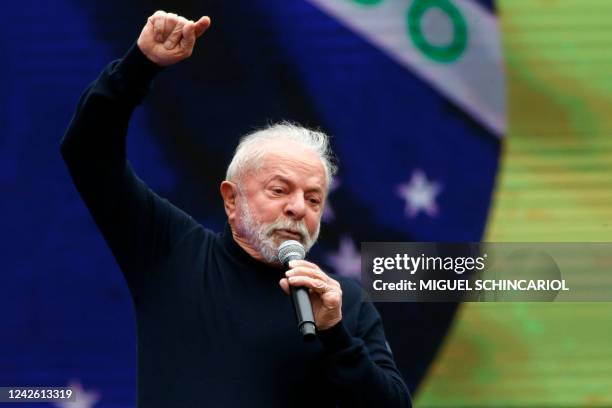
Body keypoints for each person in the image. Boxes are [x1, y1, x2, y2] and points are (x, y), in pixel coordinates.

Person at [61, 10, 411, 408]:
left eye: (314, 199)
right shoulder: (172, 253)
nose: (298, 208)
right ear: (231, 199)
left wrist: (335, 335)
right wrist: (139, 66)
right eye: (280, 190)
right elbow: (87, 152)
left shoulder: (340, 302)